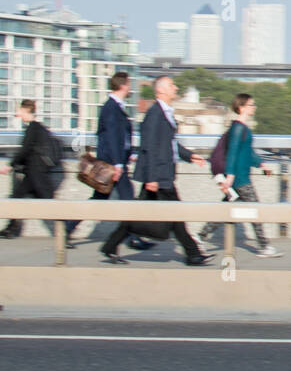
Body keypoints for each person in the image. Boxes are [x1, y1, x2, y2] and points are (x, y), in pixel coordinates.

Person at [100, 75, 212, 266]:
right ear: (161, 90)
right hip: (158, 176)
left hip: (162, 174)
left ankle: (111, 246)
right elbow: (149, 146)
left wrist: (189, 155)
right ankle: (193, 253)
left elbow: (170, 142)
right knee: (175, 217)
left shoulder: (165, 112)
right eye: (171, 85)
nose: (175, 88)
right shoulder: (154, 114)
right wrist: (151, 178)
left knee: (150, 216)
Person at [199, 94, 279, 257]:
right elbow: (233, 154)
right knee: (255, 209)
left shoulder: (242, 128)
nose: (254, 107)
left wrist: (261, 165)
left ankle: (199, 237)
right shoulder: (238, 128)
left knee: (225, 210)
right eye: (251, 105)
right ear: (241, 107)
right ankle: (264, 246)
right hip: (240, 179)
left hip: (240, 177)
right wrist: (230, 177)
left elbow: (247, 152)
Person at [84, 72, 152, 252]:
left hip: (114, 162)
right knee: (128, 198)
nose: (131, 87)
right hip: (112, 164)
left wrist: (128, 155)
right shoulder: (112, 107)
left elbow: (118, 138)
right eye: (129, 84)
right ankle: (133, 237)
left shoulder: (114, 106)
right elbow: (113, 138)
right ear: (123, 85)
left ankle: (67, 228)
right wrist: (118, 163)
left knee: (99, 198)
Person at [0, 100, 55, 238]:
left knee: (52, 206)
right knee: (17, 197)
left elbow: (25, 150)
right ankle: (10, 229)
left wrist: (10, 166)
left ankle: (66, 231)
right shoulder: (37, 127)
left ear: (26, 110)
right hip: (33, 174)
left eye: (19, 110)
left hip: (36, 174)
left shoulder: (33, 128)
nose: (18, 113)